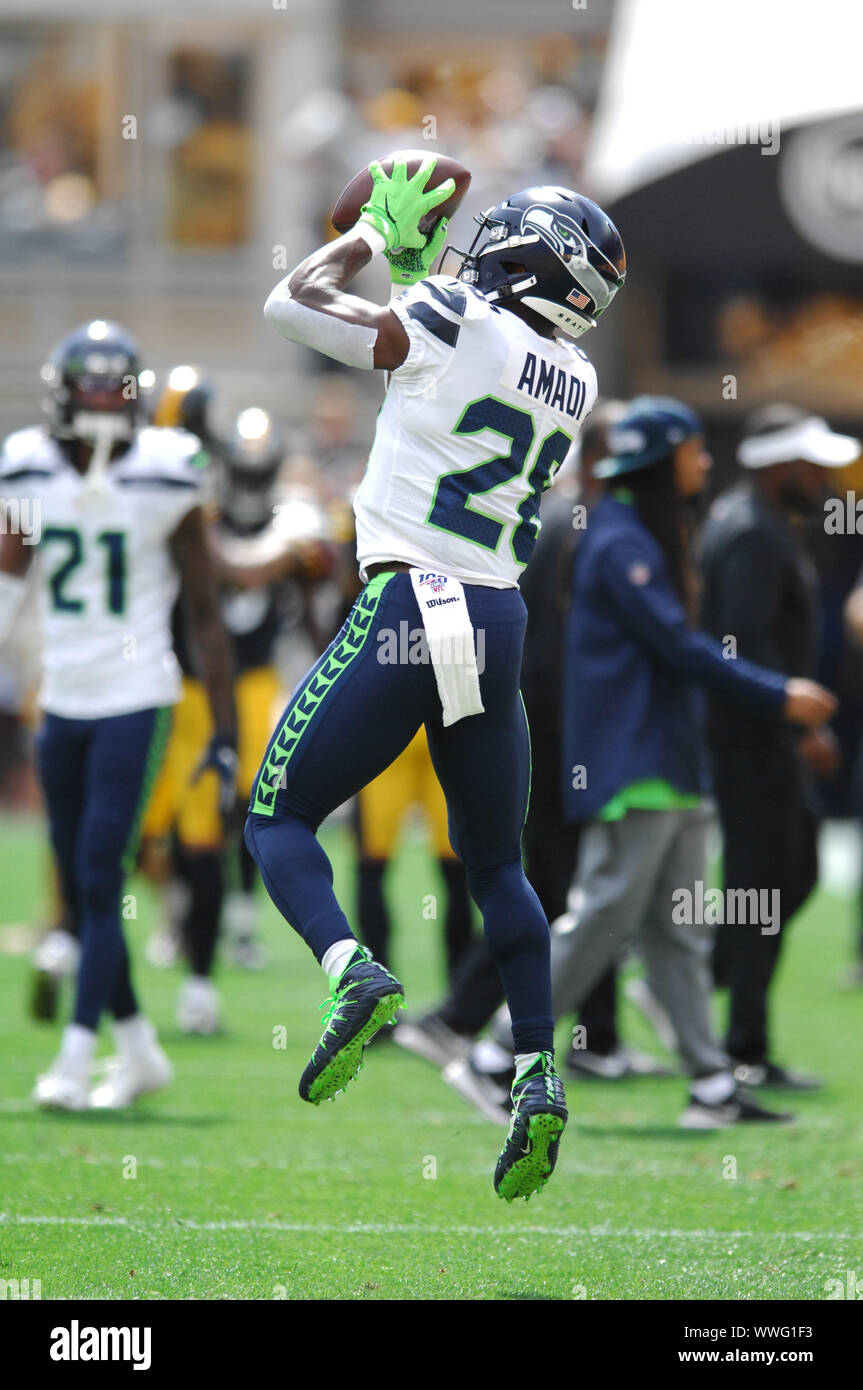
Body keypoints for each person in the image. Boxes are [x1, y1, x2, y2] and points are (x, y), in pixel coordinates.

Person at [245, 160, 627, 1200]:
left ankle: (349, 969)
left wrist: (370, 232)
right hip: (495, 616)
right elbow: (431, 365)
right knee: (496, 868)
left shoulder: (454, 315)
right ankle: (538, 1074)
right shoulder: (576, 379)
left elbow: (291, 304)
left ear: (524, 256)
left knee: (276, 821)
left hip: (411, 600)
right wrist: (413, 277)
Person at [492, 397, 836, 1126]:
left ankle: (710, 1086)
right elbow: (677, 649)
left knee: (677, 933)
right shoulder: (619, 540)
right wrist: (780, 695)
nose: (706, 463)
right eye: (693, 450)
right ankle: (500, 1050)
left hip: (669, 760)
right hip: (633, 760)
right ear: (661, 460)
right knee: (601, 916)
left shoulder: (644, 534)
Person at [0, 320, 237, 1110]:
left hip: (137, 693)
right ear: (64, 394)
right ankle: (138, 1051)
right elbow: (8, 581)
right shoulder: (27, 469)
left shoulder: (167, 472)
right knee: (80, 877)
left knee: (97, 876)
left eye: (117, 385)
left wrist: (229, 732)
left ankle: (75, 1058)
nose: (105, 399)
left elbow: (207, 612)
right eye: (91, 385)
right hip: (61, 696)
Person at [700, 404, 860, 1086]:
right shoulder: (749, 532)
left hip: (761, 734)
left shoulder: (759, 524)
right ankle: (741, 1047)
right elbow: (743, 642)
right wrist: (796, 724)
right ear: (781, 467)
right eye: (812, 462)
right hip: (751, 739)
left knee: (786, 874)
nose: (824, 474)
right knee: (761, 883)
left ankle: (715, 996)